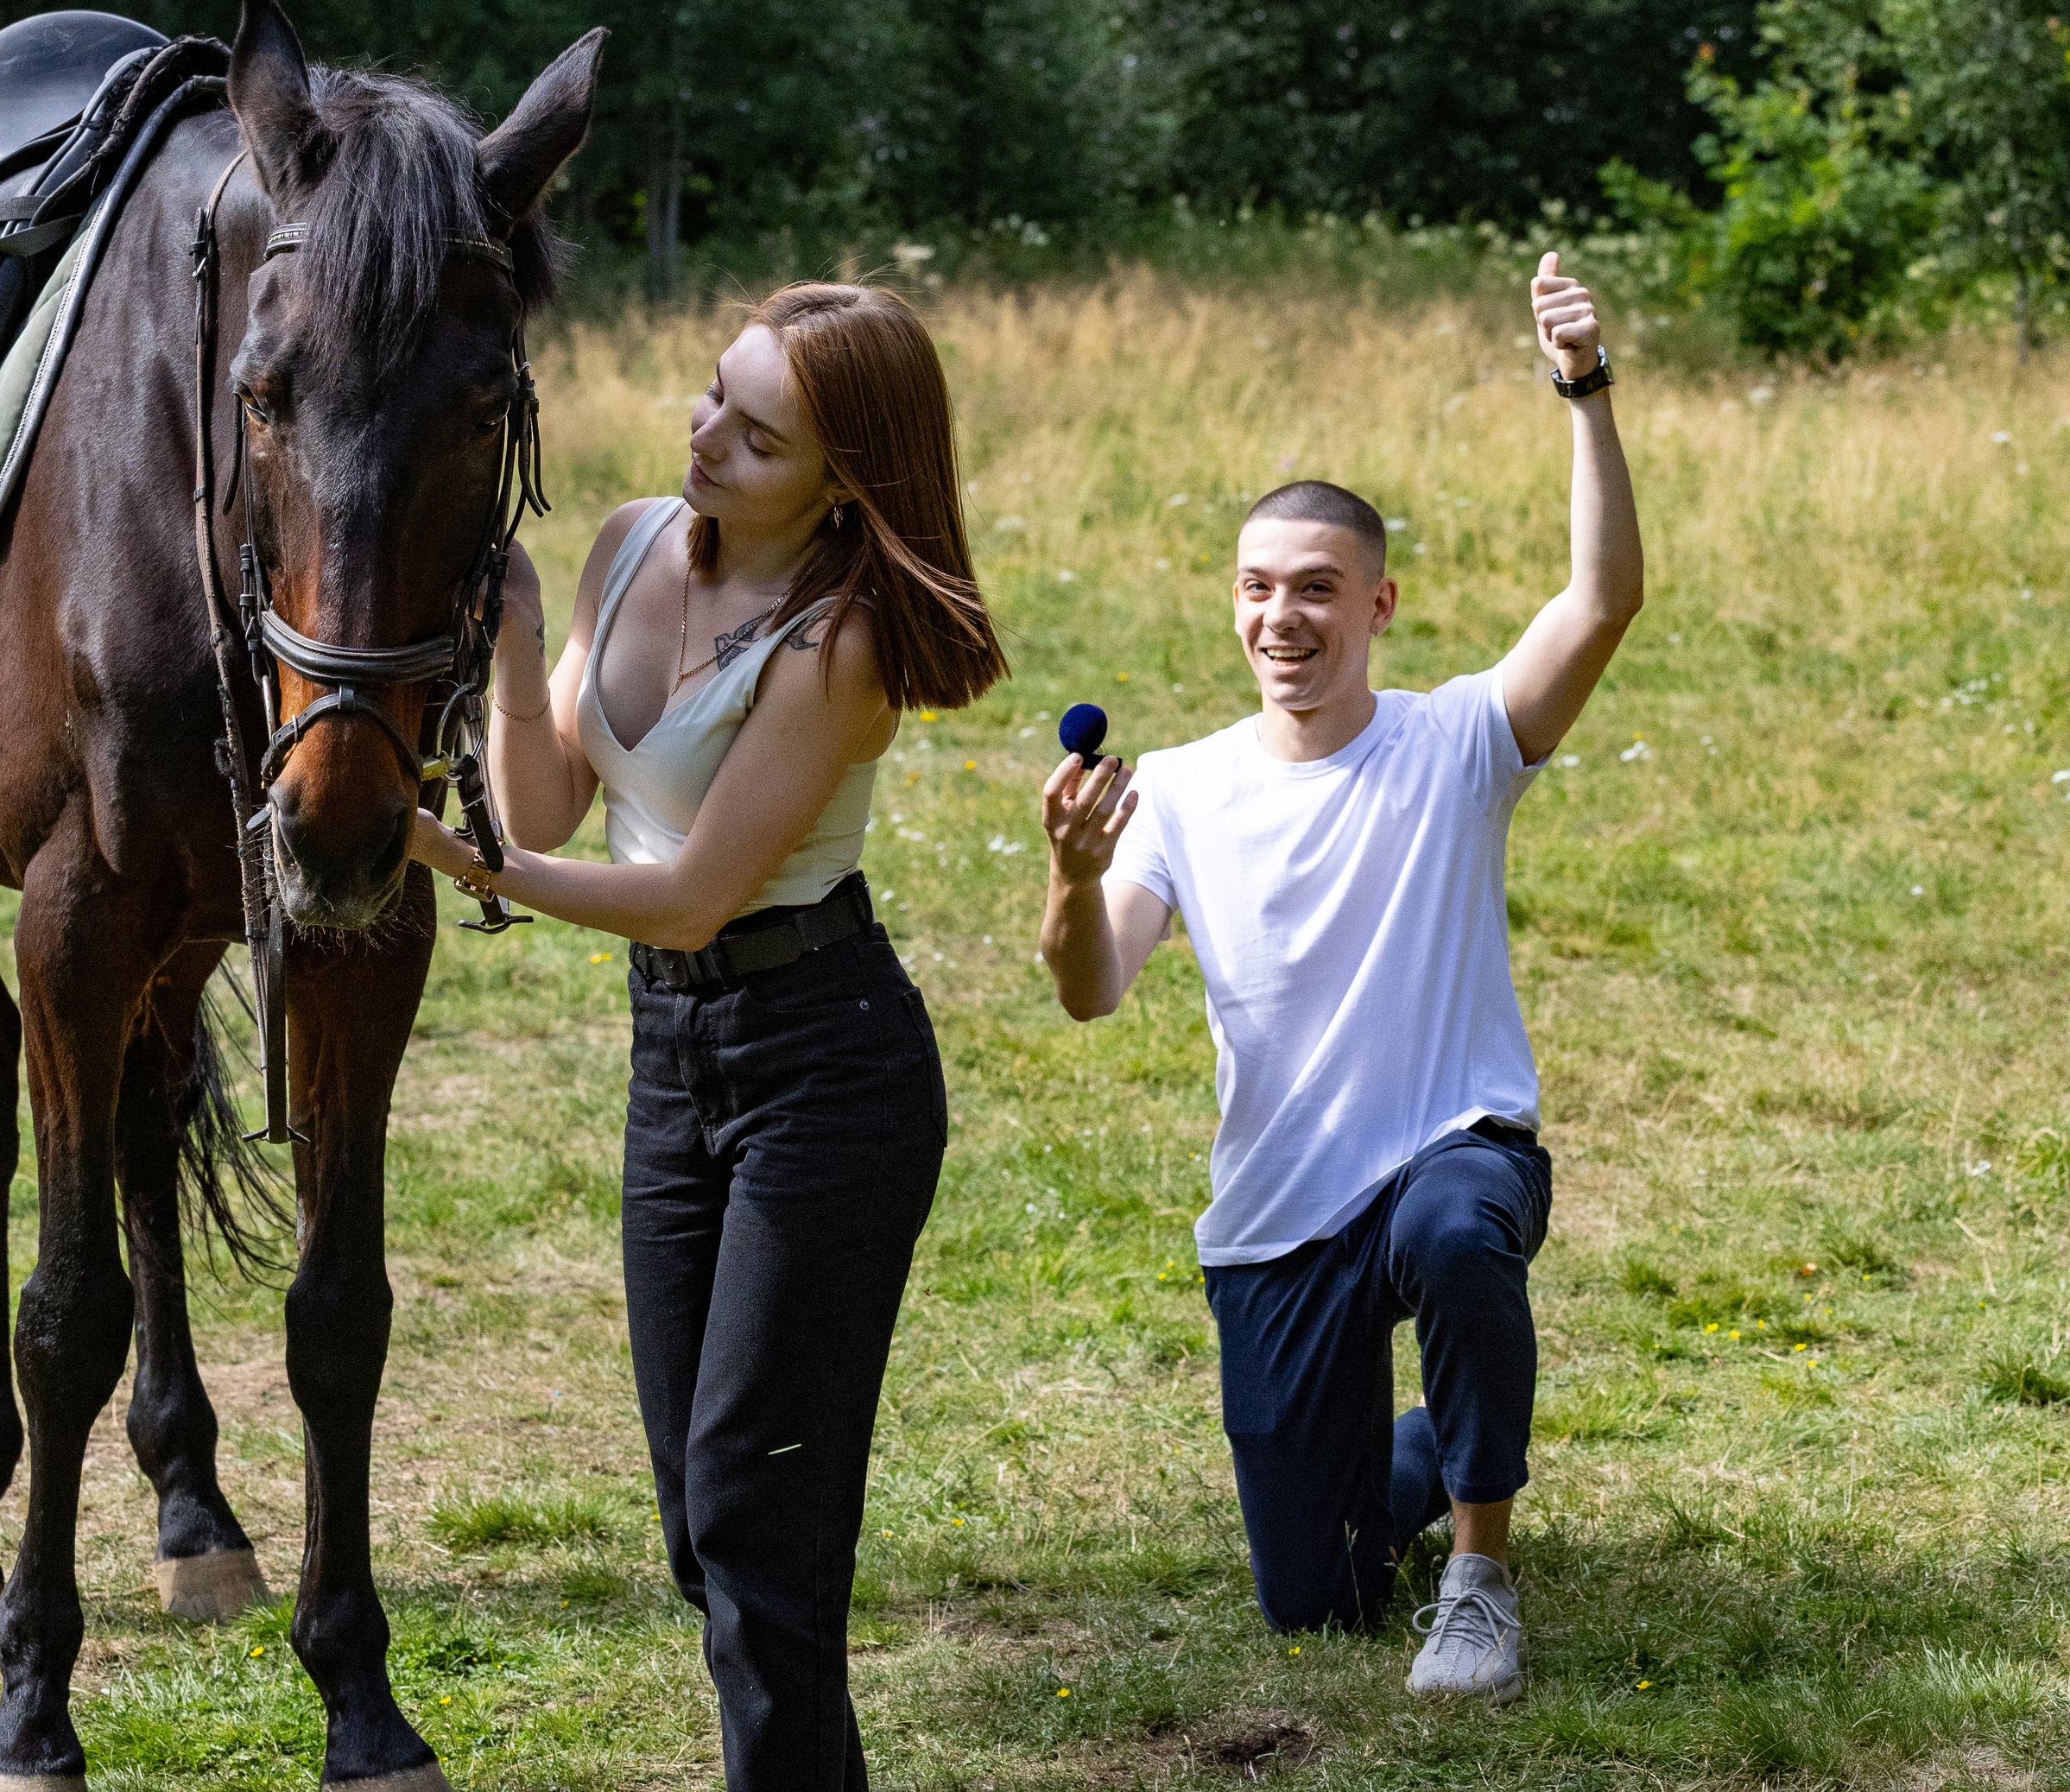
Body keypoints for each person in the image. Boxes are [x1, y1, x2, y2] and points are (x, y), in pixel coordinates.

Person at [408, 282, 1005, 1788]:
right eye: (711, 398)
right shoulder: (628, 544)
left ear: (845, 478)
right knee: (700, 1514)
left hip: (827, 1065)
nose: (708, 439)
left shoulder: (842, 639)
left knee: (756, 1512)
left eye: (759, 434)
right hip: (675, 1064)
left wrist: (439, 856)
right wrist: (521, 635)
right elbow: (548, 803)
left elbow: (685, 896)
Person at [1035, 253, 1641, 1701]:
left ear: (1379, 604)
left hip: (1453, 1150)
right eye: (1256, 590)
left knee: (1456, 1228)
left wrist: (1585, 389)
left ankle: (1483, 1576)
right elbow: (1090, 988)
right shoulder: (1177, 790)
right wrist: (1067, 879)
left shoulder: (1457, 742)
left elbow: (1604, 598)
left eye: (1317, 590)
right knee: (1319, 1603)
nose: (1281, 619)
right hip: (1280, 1212)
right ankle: (1438, 1438)